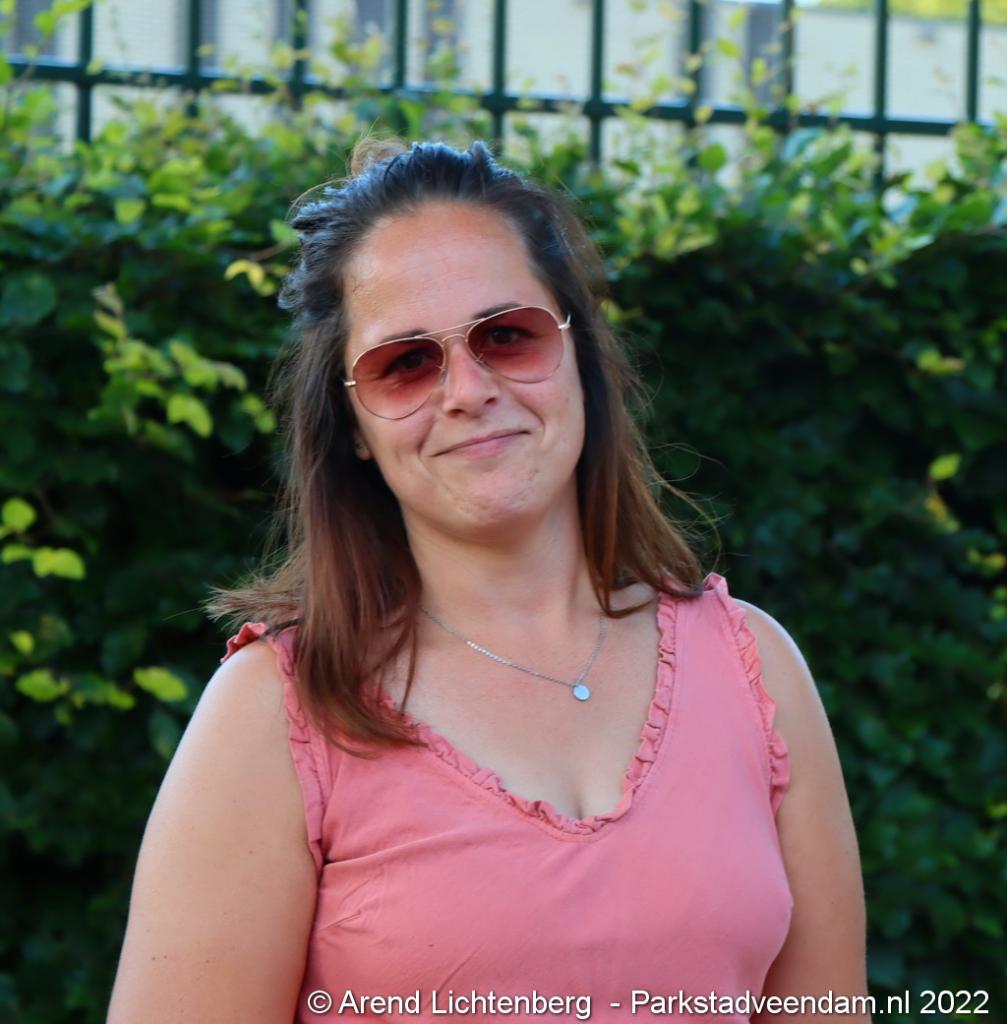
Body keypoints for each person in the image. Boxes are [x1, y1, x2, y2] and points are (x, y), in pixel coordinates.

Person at [106, 139, 870, 1023]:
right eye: (405, 363)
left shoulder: (753, 669)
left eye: (507, 336)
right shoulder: (277, 712)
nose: (467, 390)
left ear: (578, 356)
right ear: (351, 425)